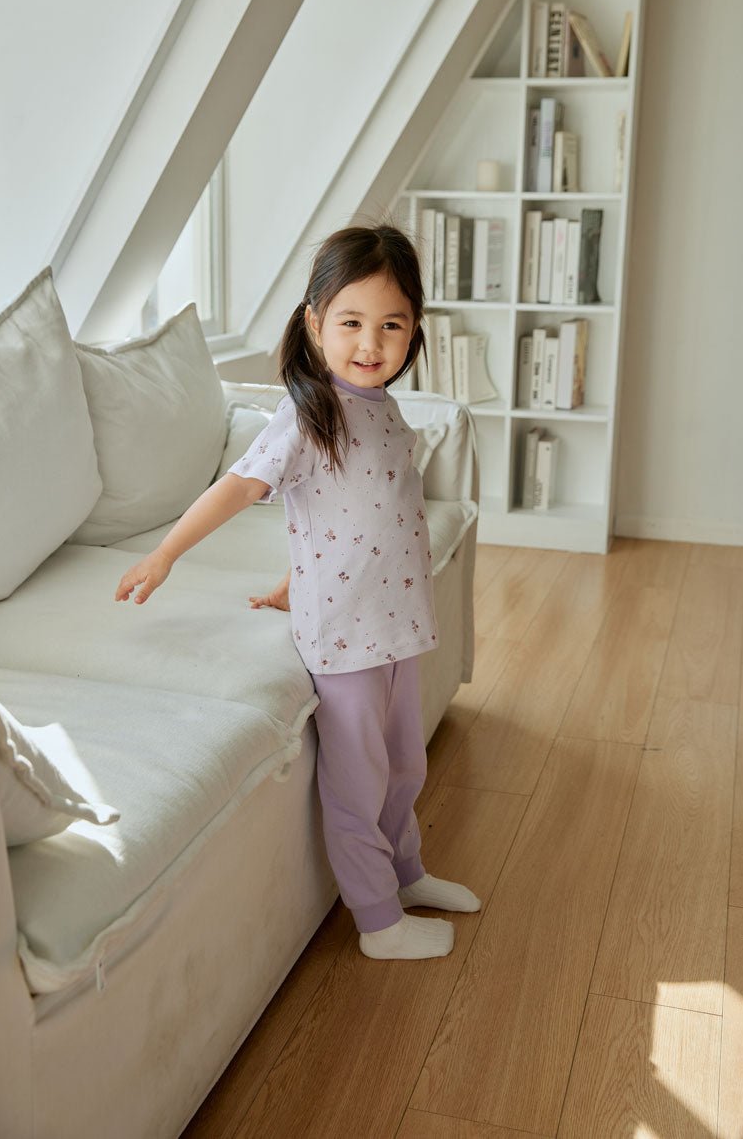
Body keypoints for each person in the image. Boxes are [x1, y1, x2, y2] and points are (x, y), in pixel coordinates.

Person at [114, 223, 480, 960]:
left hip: (401, 625)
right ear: (315, 324)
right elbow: (237, 489)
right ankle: (378, 919)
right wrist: (166, 553)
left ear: (415, 331)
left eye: (391, 325)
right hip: (346, 642)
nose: (370, 343)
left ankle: (406, 872)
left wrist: (296, 574)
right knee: (360, 779)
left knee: (407, 763)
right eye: (350, 323)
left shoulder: (385, 410)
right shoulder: (305, 419)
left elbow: (358, 515)